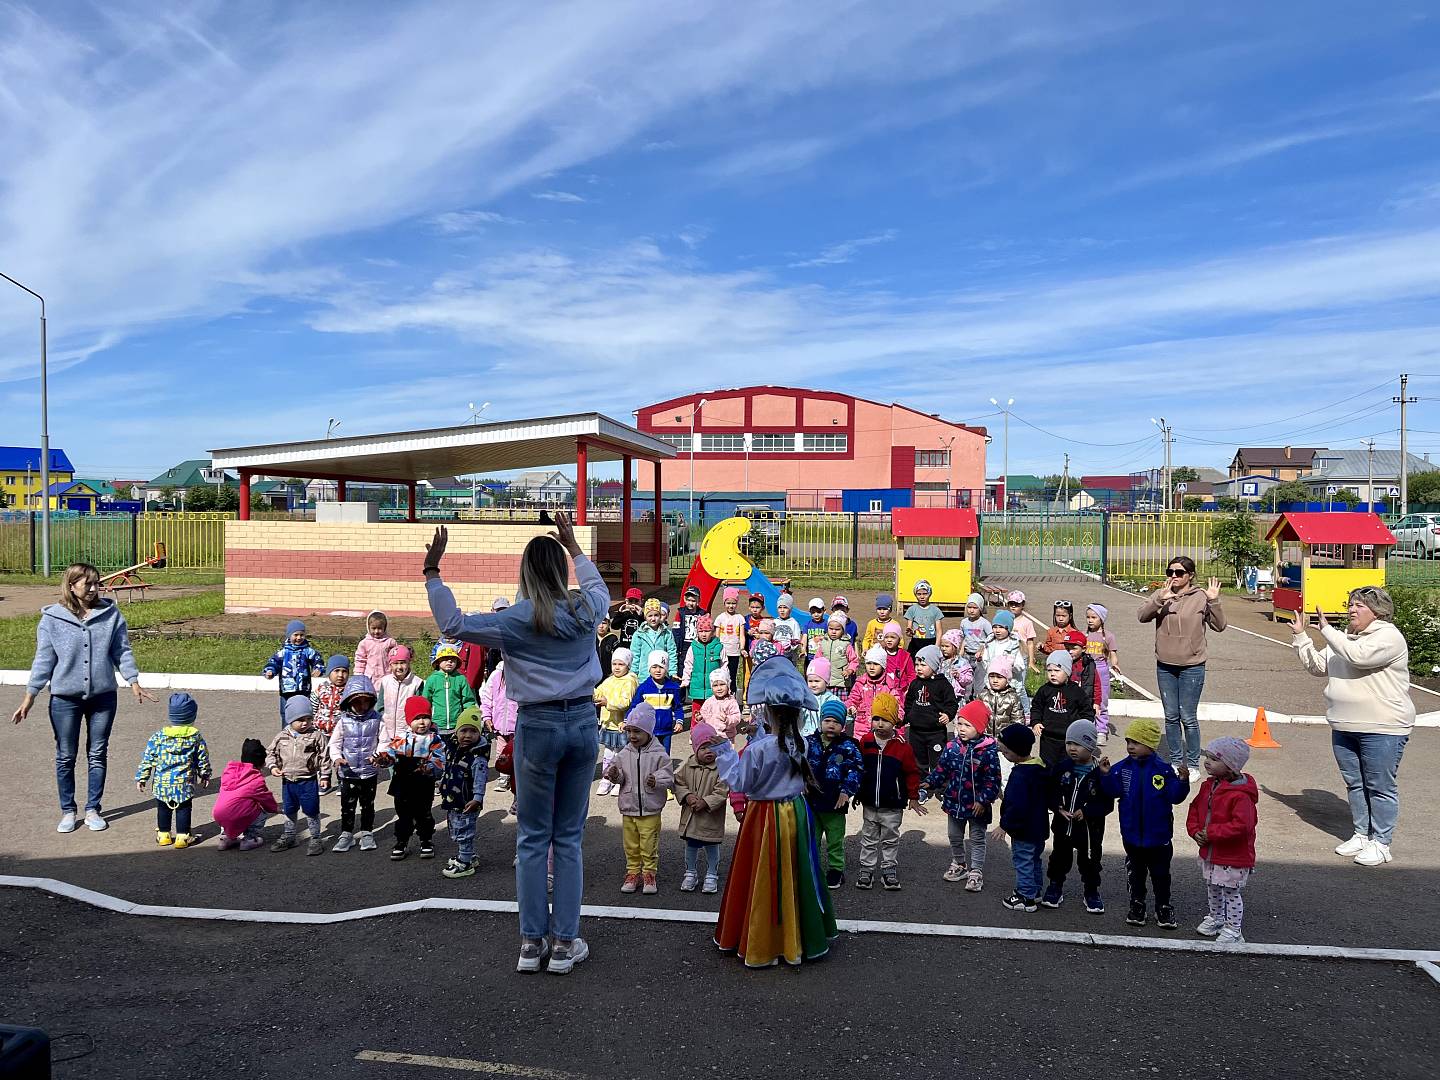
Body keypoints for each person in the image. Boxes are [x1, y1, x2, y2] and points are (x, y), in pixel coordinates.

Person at [425, 512, 608, 975]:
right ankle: (564, 944)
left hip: (537, 725)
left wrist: (433, 571)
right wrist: (573, 545)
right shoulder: (587, 608)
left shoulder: (514, 619)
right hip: (582, 721)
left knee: (532, 838)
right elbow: (597, 586)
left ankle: (531, 943)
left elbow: (452, 623)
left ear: (525, 573)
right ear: (561, 569)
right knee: (568, 839)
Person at [712, 656, 839, 968]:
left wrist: (724, 751)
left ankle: (763, 940)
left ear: (768, 711)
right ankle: (799, 937)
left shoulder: (759, 749)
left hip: (763, 817)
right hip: (796, 812)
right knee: (797, 873)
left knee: (763, 875)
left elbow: (741, 781)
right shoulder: (802, 744)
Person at [12, 561, 153, 833]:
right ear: (71, 585)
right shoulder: (52, 618)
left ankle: (92, 809)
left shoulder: (110, 615)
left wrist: (133, 681)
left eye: (96, 583)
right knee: (66, 755)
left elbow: (121, 651)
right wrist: (30, 696)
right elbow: (43, 660)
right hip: (65, 700)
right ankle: (68, 810)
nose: (93, 588)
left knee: (97, 753)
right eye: (87, 583)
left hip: (103, 698)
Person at [1292, 586, 1414, 867]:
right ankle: (1361, 834)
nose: (1352, 609)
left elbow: (1358, 657)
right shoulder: (1344, 638)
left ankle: (1381, 843)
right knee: (1355, 784)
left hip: (1383, 726)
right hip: (1343, 724)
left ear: (1378, 611)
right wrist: (1301, 636)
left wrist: (1327, 630)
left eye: (1359, 605)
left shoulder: (1388, 637)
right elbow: (1317, 667)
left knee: (1379, 786)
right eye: (1351, 604)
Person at [1137, 556, 1227, 782]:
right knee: (1170, 716)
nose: (1174, 576)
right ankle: (1176, 762)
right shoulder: (1162, 594)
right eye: (1170, 572)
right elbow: (1142, 616)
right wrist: (1160, 598)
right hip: (1165, 665)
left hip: (1192, 666)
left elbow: (1219, 626)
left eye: (1179, 573)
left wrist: (1214, 601)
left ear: (1190, 575)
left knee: (1188, 717)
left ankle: (1193, 764)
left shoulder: (1201, 597)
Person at [1098, 718, 1189, 929]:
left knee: (1161, 874)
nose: (1130, 746)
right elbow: (1113, 791)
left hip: (1159, 835)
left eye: (1136, 742)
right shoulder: (1122, 768)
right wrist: (1106, 775)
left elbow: (1175, 797)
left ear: (1150, 744)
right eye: (1128, 742)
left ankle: (1163, 906)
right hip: (1131, 835)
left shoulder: (1163, 770)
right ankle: (1137, 904)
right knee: (1136, 874)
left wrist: (1182, 782)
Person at [920, 700, 999, 893]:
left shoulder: (988, 751)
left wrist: (983, 800)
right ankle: (960, 864)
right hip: (954, 802)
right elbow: (942, 769)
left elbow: (993, 780)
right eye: (959, 723)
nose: (961, 728)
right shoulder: (952, 747)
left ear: (980, 727)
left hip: (977, 805)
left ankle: (976, 871)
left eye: (968, 725)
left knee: (977, 838)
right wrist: (930, 782)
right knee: (954, 835)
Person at [1187, 736, 1258, 944]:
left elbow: (1243, 826)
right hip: (1212, 851)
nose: (1207, 762)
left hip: (1232, 855)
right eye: (1207, 757)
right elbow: (1195, 809)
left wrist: (1211, 833)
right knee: (1213, 887)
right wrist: (1195, 831)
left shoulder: (1241, 795)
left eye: (1214, 759)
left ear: (1231, 766)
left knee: (1231, 892)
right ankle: (1217, 918)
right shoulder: (1209, 786)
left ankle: (1234, 929)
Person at [855, 691, 925, 891]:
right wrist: (858, 792)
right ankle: (866, 869)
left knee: (890, 839)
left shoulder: (903, 747)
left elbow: (912, 773)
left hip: (892, 805)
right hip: (870, 803)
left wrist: (913, 797)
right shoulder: (865, 741)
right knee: (868, 839)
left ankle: (888, 870)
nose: (879, 724)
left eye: (885, 720)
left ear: (894, 721)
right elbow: (859, 769)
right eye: (876, 718)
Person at [1043, 719, 1113, 914]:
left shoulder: (1100, 773)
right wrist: (1057, 807)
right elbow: (1051, 791)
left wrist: (1087, 811)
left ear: (1090, 746)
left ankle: (1091, 891)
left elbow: (1107, 803)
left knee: (1090, 862)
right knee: (1058, 858)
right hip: (1063, 826)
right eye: (1069, 743)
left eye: (1078, 744)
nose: (1072, 748)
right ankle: (1055, 886)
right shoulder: (1062, 768)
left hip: (1089, 831)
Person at [604, 703, 673, 895]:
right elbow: (619, 776)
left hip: (650, 808)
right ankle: (633, 873)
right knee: (631, 844)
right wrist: (614, 774)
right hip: (629, 807)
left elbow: (668, 776)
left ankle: (649, 873)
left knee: (649, 844)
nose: (632, 736)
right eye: (629, 731)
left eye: (637, 731)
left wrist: (656, 779)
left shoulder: (659, 753)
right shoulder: (624, 753)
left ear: (649, 731)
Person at [135, 692, 212, 849]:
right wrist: (205, 774)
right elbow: (202, 757)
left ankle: (164, 834)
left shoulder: (159, 736)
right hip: (184, 782)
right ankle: (183, 836)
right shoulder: (195, 737)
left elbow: (148, 757)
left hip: (162, 782)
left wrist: (142, 777)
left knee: (163, 807)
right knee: (184, 807)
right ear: (192, 716)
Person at [380, 697, 448, 862]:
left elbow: (440, 759)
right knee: (403, 814)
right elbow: (390, 754)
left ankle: (426, 840)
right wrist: (383, 759)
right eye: (417, 718)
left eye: (425, 717)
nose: (422, 722)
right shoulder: (402, 738)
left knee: (423, 813)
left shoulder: (434, 739)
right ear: (409, 720)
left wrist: (430, 767)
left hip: (423, 782)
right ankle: (401, 842)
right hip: (402, 782)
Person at [806, 699, 863, 889]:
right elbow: (799, 765)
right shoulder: (809, 742)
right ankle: (811, 869)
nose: (831, 725)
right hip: (811, 802)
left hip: (835, 803)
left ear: (843, 725)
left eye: (836, 722)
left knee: (835, 840)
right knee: (811, 839)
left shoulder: (849, 746)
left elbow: (856, 770)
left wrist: (847, 791)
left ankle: (836, 870)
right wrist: (801, 783)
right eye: (827, 721)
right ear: (821, 721)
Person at [991, 723, 1048, 912]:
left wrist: (1004, 825)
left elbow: (1016, 805)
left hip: (1023, 830)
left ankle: (1025, 896)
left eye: (1006, 751)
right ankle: (1035, 891)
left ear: (1017, 751)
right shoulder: (1039, 767)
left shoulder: (1020, 775)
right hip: (1039, 827)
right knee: (1034, 860)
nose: (1004, 754)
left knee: (1023, 861)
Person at [266, 696, 328, 855]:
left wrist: (325, 776)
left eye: (308, 719)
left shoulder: (316, 736)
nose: (305, 723)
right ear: (290, 719)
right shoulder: (281, 736)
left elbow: (324, 757)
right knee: (289, 809)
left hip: (308, 781)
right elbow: (271, 753)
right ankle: (290, 836)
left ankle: (315, 838)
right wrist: (273, 767)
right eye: (300, 720)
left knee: (311, 810)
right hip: (288, 781)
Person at [673, 720, 730, 894]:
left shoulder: (721, 767)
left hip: (710, 817)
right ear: (695, 749)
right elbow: (678, 782)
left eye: (711, 747)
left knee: (711, 846)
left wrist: (705, 802)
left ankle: (712, 874)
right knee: (691, 845)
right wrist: (687, 796)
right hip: (692, 817)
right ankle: (690, 872)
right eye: (703, 748)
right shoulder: (688, 765)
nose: (708, 751)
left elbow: (722, 790)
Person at [328, 675, 383, 853]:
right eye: (358, 702)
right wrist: (337, 758)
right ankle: (346, 834)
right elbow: (334, 743)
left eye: (366, 701)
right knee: (347, 805)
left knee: (368, 804)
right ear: (348, 701)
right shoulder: (343, 721)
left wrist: (377, 755)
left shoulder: (377, 719)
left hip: (369, 771)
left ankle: (367, 832)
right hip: (348, 771)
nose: (362, 706)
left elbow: (384, 740)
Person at [440, 707, 491, 879]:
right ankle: (468, 855)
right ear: (457, 732)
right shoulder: (455, 749)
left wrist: (477, 798)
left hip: (468, 801)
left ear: (479, 733)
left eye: (473, 731)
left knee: (464, 830)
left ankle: (465, 862)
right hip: (454, 798)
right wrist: (442, 784)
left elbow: (480, 780)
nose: (468, 735)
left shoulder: (477, 758)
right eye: (464, 731)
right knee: (456, 828)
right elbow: (448, 769)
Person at [1030, 650, 1094, 767]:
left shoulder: (1076, 691)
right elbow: (1036, 707)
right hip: (1048, 738)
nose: (1052, 674)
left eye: (1057, 670)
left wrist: (1083, 729)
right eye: (1049, 670)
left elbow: (1087, 712)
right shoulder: (1044, 690)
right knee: (1047, 767)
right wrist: (1036, 722)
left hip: (1069, 740)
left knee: (1068, 767)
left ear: (1067, 672)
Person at [214, 738, 278, 851]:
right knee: (261, 812)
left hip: (219, 814)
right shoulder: (256, 779)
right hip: (237, 815)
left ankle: (226, 838)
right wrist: (275, 809)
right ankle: (249, 839)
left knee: (230, 810)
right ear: (262, 763)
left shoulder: (230, 771)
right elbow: (265, 798)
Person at [904, 644, 957, 775]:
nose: (918, 668)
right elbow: (909, 702)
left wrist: (947, 715)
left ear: (933, 666)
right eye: (917, 665)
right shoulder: (915, 683)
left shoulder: (942, 684)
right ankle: (921, 783)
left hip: (935, 732)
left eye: (923, 665)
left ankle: (938, 783)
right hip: (916, 731)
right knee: (918, 762)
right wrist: (908, 716)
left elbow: (951, 703)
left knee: (937, 762)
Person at [262, 619, 325, 729]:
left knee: (304, 710)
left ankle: (304, 730)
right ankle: (286, 732)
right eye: (296, 635)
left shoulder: (308, 651)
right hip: (286, 689)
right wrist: (270, 671)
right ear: (289, 635)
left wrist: (318, 669)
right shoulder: (283, 652)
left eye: (302, 635)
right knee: (286, 711)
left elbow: (317, 660)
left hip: (303, 688)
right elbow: (274, 663)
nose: (299, 638)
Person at [595, 649, 638, 795]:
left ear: (628, 666)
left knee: (620, 754)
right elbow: (599, 692)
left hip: (621, 726)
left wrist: (607, 703)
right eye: (614, 664)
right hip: (608, 724)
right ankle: (606, 778)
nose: (617, 667)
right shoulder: (609, 680)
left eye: (621, 664)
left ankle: (620, 779)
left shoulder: (630, 681)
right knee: (608, 754)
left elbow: (626, 702)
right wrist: (590, 690)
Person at [480, 658, 518, 809]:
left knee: (517, 754)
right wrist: (486, 716)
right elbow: (487, 698)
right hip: (499, 723)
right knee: (501, 751)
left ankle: (515, 778)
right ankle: (503, 776)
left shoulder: (522, 673)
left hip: (517, 725)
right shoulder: (496, 675)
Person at [846, 646, 905, 742]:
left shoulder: (889, 685)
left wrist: (898, 718)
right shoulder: (860, 683)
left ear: (883, 666)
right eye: (869, 663)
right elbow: (853, 698)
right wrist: (851, 707)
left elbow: (897, 704)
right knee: (862, 750)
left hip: (883, 729)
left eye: (876, 664)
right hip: (862, 729)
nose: (871, 667)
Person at [632, 650, 684, 755]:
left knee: (664, 756)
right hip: (648, 730)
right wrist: (628, 721)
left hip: (666, 730)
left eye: (661, 667)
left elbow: (678, 707)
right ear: (649, 668)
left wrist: (679, 721)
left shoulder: (673, 688)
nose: (658, 670)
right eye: (654, 667)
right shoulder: (643, 688)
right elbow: (635, 707)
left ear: (666, 669)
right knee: (648, 756)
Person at [311, 654, 350, 794]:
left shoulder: (350, 689)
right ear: (329, 672)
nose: (340, 675)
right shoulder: (321, 688)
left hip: (341, 732)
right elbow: (313, 706)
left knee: (341, 756)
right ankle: (325, 781)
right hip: (322, 730)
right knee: (323, 756)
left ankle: (342, 781)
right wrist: (313, 722)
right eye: (336, 671)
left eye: (344, 671)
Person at [423, 644, 479, 733]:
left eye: (453, 659)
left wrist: (469, 718)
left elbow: (468, 701)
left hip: (457, 724)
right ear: (438, 661)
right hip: (436, 724)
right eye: (445, 659)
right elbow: (426, 701)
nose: (449, 662)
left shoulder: (461, 679)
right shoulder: (432, 679)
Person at [681, 614, 725, 720]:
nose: (704, 634)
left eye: (707, 631)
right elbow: (688, 664)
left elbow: (724, 665)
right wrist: (686, 680)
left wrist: (725, 682)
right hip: (697, 687)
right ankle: (694, 730)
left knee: (713, 715)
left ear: (713, 632)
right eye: (701, 631)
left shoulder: (719, 647)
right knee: (697, 715)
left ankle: (713, 730)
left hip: (713, 688)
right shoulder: (693, 647)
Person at [1084, 604, 1118, 738]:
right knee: (1087, 698)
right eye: (1088, 617)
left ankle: (1101, 730)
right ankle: (1088, 727)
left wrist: (1115, 664)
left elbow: (1113, 653)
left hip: (1101, 668)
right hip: (1087, 669)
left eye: (1094, 617)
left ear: (1101, 619)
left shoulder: (1108, 636)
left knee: (1102, 700)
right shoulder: (1084, 635)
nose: (1090, 620)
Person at [376, 646, 423, 743]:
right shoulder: (385, 681)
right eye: (395, 663)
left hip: (407, 734)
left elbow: (418, 711)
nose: (399, 667)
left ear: (408, 663)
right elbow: (380, 707)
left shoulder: (416, 683)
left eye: (403, 663)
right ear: (390, 664)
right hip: (386, 733)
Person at [631, 599, 678, 679]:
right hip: (644, 675)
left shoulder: (667, 633)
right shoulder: (639, 634)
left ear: (660, 616)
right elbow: (635, 655)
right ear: (645, 617)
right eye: (650, 616)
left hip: (662, 675)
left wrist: (672, 672)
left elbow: (672, 653)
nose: (653, 619)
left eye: (656, 615)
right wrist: (633, 673)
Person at [813, 613, 859, 693]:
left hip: (841, 683)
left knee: (840, 701)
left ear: (843, 630)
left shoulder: (846, 644)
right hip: (825, 680)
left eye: (837, 629)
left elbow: (854, 660)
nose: (833, 632)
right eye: (831, 629)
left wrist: (849, 670)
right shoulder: (824, 643)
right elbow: (817, 659)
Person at [714, 587, 748, 689]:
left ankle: (732, 693)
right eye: (728, 603)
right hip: (722, 651)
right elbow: (717, 636)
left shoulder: (740, 618)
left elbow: (742, 635)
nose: (731, 606)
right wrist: (716, 648)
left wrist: (742, 648)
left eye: (733, 603)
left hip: (734, 652)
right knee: (721, 674)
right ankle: (721, 693)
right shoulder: (720, 618)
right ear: (724, 603)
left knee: (732, 675)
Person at [699, 668, 742, 742]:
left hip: (726, 737)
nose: (719, 688)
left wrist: (727, 719)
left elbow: (737, 717)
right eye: (715, 685)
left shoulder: (731, 702)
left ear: (728, 685)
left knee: (727, 750)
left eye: (722, 684)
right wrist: (700, 718)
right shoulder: (709, 701)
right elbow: (704, 714)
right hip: (711, 736)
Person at [352, 610, 397, 681]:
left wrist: (395, 673)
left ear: (385, 628)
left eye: (379, 628)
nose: (376, 631)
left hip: (387, 677)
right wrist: (358, 675)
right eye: (373, 628)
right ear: (368, 627)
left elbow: (395, 659)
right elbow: (360, 660)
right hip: (370, 678)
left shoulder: (390, 642)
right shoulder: (364, 643)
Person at [903, 580, 943, 656]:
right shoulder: (912, 609)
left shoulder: (936, 610)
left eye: (925, 594)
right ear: (915, 595)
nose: (922, 597)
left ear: (929, 594)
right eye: (919, 594)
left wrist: (937, 646)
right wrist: (909, 632)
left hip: (931, 642)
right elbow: (909, 629)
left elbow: (939, 631)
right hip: (916, 643)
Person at [879, 621, 916, 697]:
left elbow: (911, 674)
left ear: (899, 639)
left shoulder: (905, 656)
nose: (889, 640)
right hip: (883, 690)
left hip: (901, 691)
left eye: (893, 637)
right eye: (886, 637)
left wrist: (910, 688)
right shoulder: (880, 654)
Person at [1006, 590, 1038, 672]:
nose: (1013, 606)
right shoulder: (1005, 620)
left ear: (1022, 605)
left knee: (1020, 678)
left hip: (1022, 655)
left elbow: (1030, 643)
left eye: (1017, 604)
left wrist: (1031, 661)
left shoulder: (1027, 622)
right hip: (1007, 655)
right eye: (1011, 604)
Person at [938, 629, 974, 702]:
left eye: (947, 646)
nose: (943, 649)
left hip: (956, 697)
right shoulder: (940, 661)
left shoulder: (962, 663)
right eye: (942, 646)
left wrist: (959, 676)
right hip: (941, 696)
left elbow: (969, 679)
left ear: (955, 647)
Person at [771, 594, 803, 671]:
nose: (782, 610)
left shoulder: (794, 623)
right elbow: (770, 637)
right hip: (776, 654)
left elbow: (797, 639)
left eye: (785, 607)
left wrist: (791, 646)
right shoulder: (774, 622)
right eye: (780, 607)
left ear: (790, 609)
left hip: (790, 656)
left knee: (788, 672)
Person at [609, 587, 645, 651]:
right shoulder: (624, 614)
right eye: (630, 601)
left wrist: (640, 616)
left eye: (636, 601)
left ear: (641, 602)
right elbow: (614, 626)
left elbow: (645, 628)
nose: (633, 604)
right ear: (626, 601)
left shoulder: (642, 615)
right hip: (624, 646)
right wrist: (619, 613)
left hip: (638, 647)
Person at [595, 614, 619, 679]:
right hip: (593, 673)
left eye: (604, 623)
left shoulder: (613, 638)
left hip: (608, 674)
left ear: (608, 624)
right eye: (598, 623)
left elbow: (617, 656)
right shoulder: (592, 638)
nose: (601, 626)